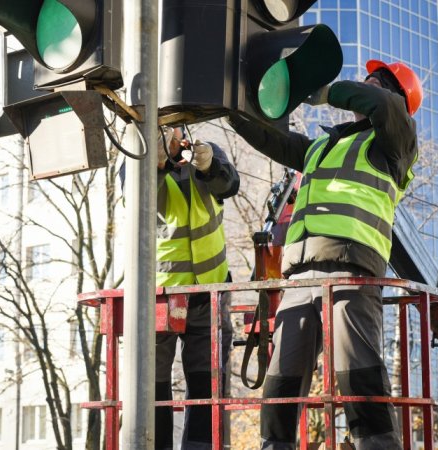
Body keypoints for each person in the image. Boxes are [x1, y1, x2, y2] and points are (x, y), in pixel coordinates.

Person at [228, 59, 423, 450]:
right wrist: (230, 109)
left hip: (352, 271)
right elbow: (270, 138)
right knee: (281, 379)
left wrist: (325, 92)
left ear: (398, 100)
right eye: (367, 82)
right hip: (300, 277)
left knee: (358, 374)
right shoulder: (320, 147)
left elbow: (384, 106)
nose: (366, 86)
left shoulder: (395, 143)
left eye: (377, 83)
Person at [155, 126, 239, 450]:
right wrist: (156, 166)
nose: (170, 132)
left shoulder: (207, 153)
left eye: (174, 126)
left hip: (208, 293)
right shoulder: (138, 159)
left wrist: (210, 166)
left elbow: (229, 184)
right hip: (160, 295)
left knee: (207, 384)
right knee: (153, 383)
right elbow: (133, 199)